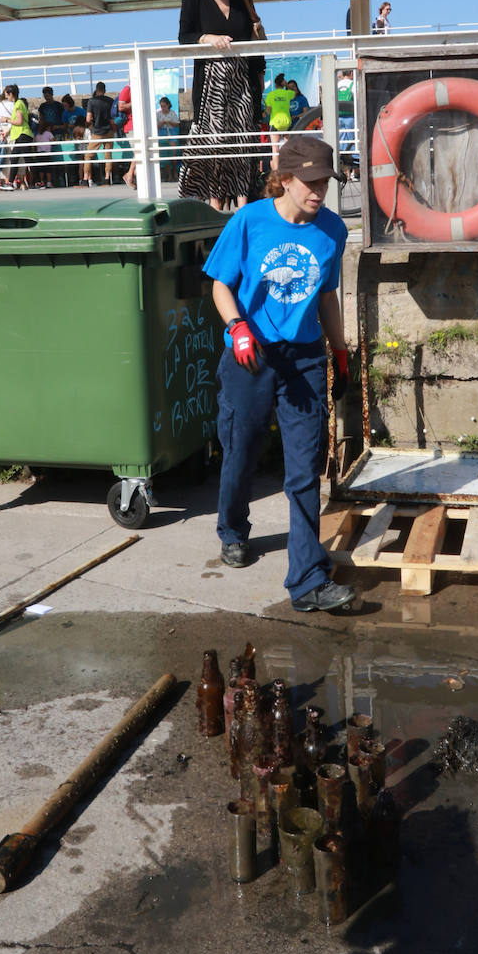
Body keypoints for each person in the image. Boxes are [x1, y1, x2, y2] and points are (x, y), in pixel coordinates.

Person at [203, 135, 354, 614]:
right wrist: (238, 327)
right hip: (251, 355)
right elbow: (220, 286)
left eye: (324, 182)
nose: (318, 191)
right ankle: (232, 528)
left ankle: (308, 579)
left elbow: (326, 295)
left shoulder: (332, 230)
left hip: (305, 357)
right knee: (242, 449)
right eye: (309, 181)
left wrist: (340, 350)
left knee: (305, 469)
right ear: (284, 178)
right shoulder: (249, 222)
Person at [178, 0, 264, 212]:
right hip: (211, 81)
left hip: (242, 81)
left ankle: (243, 205)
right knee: (214, 144)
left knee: (241, 142)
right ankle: (214, 207)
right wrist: (208, 38)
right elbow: (184, 37)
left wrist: (260, 76)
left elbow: (255, 39)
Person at [83, 81, 114, 186]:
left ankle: (85, 179)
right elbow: (113, 117)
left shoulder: (92, 101)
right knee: (108, 155)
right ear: (105, 90)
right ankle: (107, 178)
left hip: (97, 132)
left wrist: (91, 125)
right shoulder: (110, 101)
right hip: (109, 131)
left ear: (96, 90)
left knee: (88, 156)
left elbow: (88, 118)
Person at [6, 84, 34, 189]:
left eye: (7, 95)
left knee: (19, 159)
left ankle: (10, 183)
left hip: (22, 134)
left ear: (11, 94)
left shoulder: (18, 104)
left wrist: (7, 120)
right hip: (21, 134)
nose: (6, 98)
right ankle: (10, 183)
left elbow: (19, 121)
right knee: (23, 159)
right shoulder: (20, 103)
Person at [263, 72, 293, 167]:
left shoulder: (271, 95)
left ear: (275, 84)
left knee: (275, 149)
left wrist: (266, 113)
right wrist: (287, 85)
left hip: (275, 123)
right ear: (283, 83)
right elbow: (294, 91)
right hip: (286, 122)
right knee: (287, 147)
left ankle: (276, 172)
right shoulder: (288, 93)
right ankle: (288, 169)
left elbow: (268, 111)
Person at [0, 89, 15, 189]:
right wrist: (8, 130)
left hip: (0, 132)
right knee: (11, 156)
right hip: (11, 131)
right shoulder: (13, 105)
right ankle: (9, 181)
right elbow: (14, 119)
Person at [156, 96, 180, 181]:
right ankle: (169, 174)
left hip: (171, 132)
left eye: (164, 106)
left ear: (168, 105)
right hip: (162, 133)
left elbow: (177, 124)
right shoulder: (158, 114)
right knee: (165, 154)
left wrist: (169, 122)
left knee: (173, 154)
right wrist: (162, 123)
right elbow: (156, 127)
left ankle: (175, 171)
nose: (163, 108)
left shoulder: (172, 113)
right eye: (161, 106)